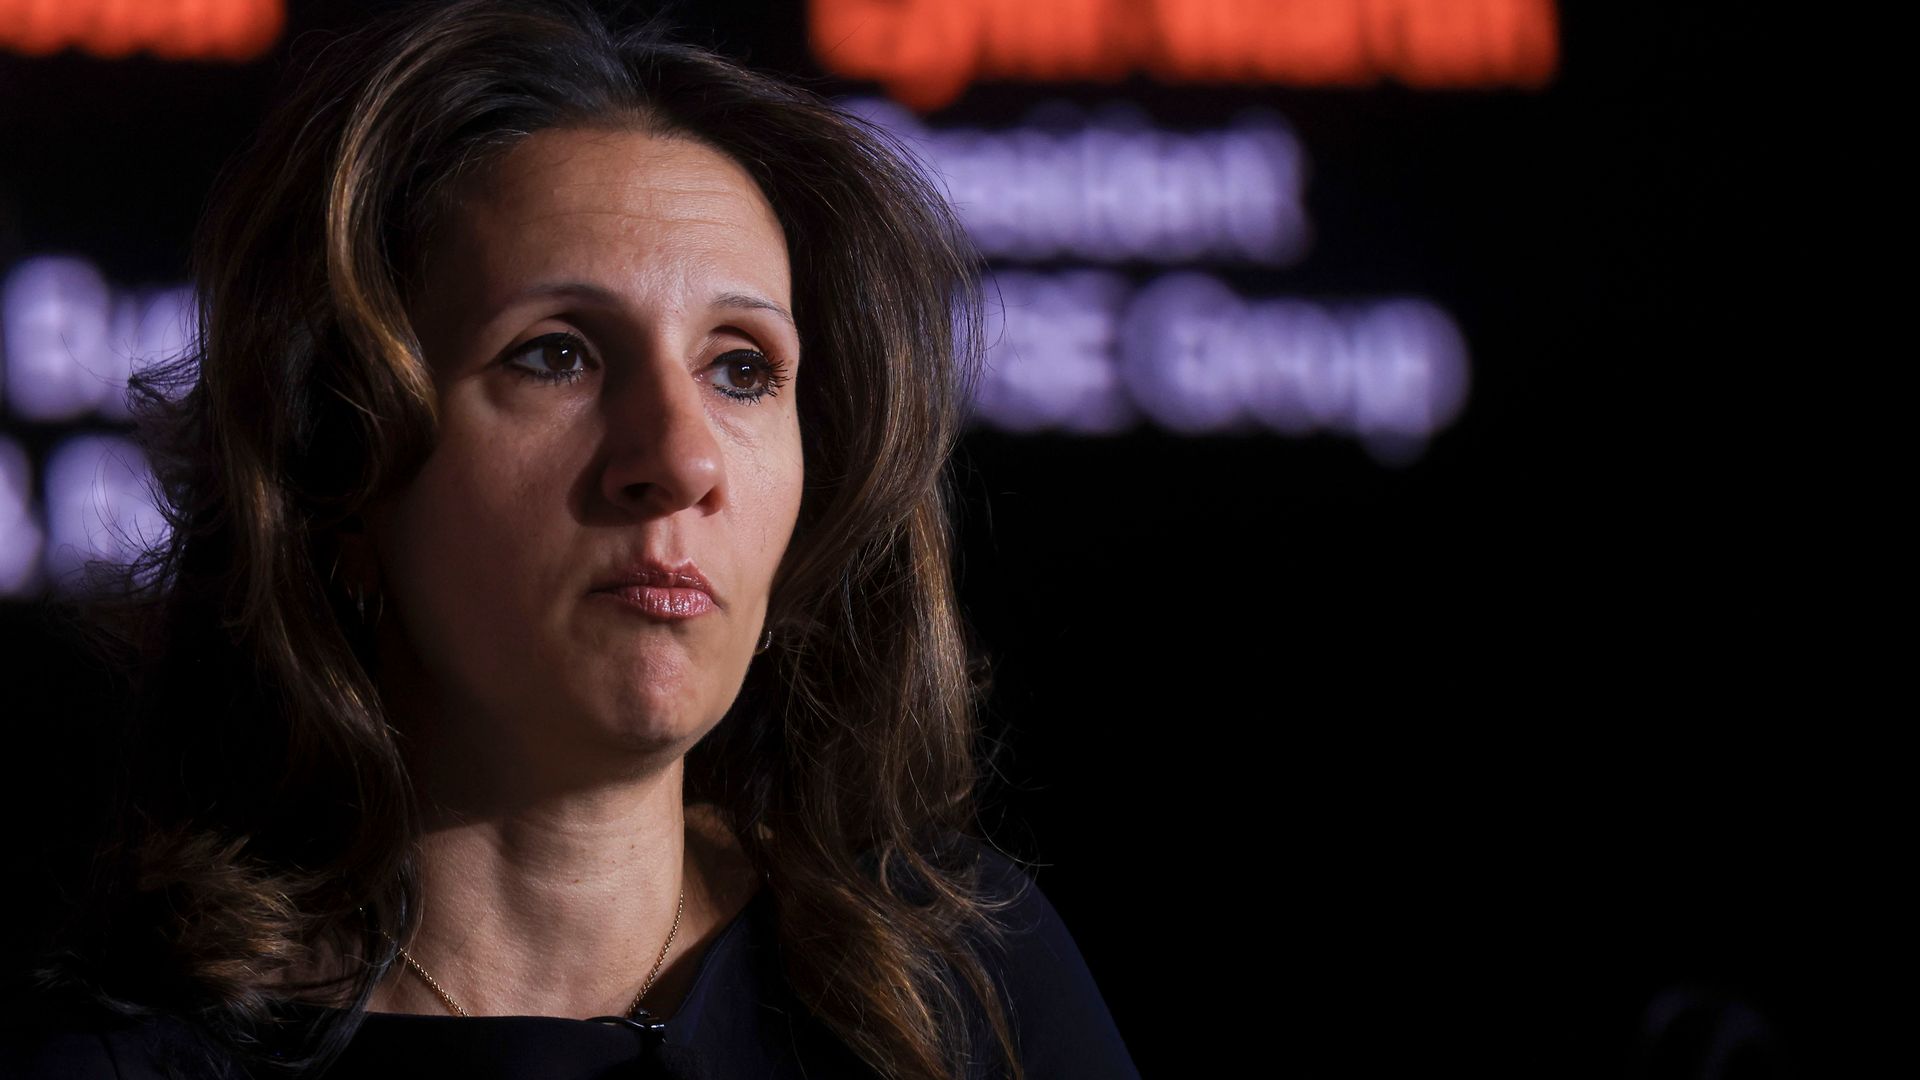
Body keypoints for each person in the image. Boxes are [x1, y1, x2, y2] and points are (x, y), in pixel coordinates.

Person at [1, 1, 1139, 1077]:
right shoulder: (132, 1056)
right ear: (338, 472)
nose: (681, 459)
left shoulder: (964, 980)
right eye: (557, 354)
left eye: (742, 370)